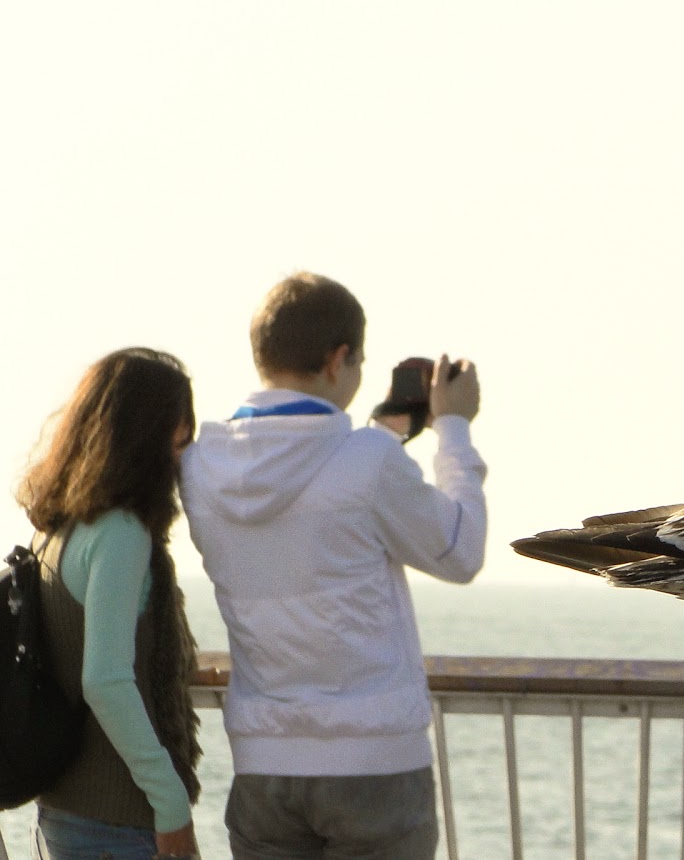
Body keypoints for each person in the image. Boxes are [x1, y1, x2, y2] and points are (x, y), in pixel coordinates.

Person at [179, 272, 486, 859]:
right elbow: (460, 550)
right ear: (338, 358)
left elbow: (311, 488)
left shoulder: (200, 466)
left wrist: (383, 437)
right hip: (374, 764)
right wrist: (453, 431)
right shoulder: (368, 463)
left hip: (264, 766)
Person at [15, 348, 203, 860]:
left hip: (62, 810)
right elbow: (106, 679)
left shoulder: (54, 531)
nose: (187, 449)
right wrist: (172, 805)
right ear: (157, 433)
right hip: (119, 824)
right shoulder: (121, 533)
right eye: (183, 431)